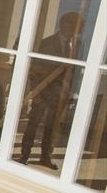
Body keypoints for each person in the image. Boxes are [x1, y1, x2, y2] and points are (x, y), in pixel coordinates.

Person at [18, 11, 84, 169]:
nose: (75, 30)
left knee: (52, 127)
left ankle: (45, 157)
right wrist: (36, 92)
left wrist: (74, 92)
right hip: (44, 92)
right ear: (63, 24)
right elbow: (35, 69)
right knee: (33, 124)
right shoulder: (47, 43)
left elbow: (79, 70)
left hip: (62, 95)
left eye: (78, 27)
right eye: (72, 25)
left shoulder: (79, 45)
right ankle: (24, 155)